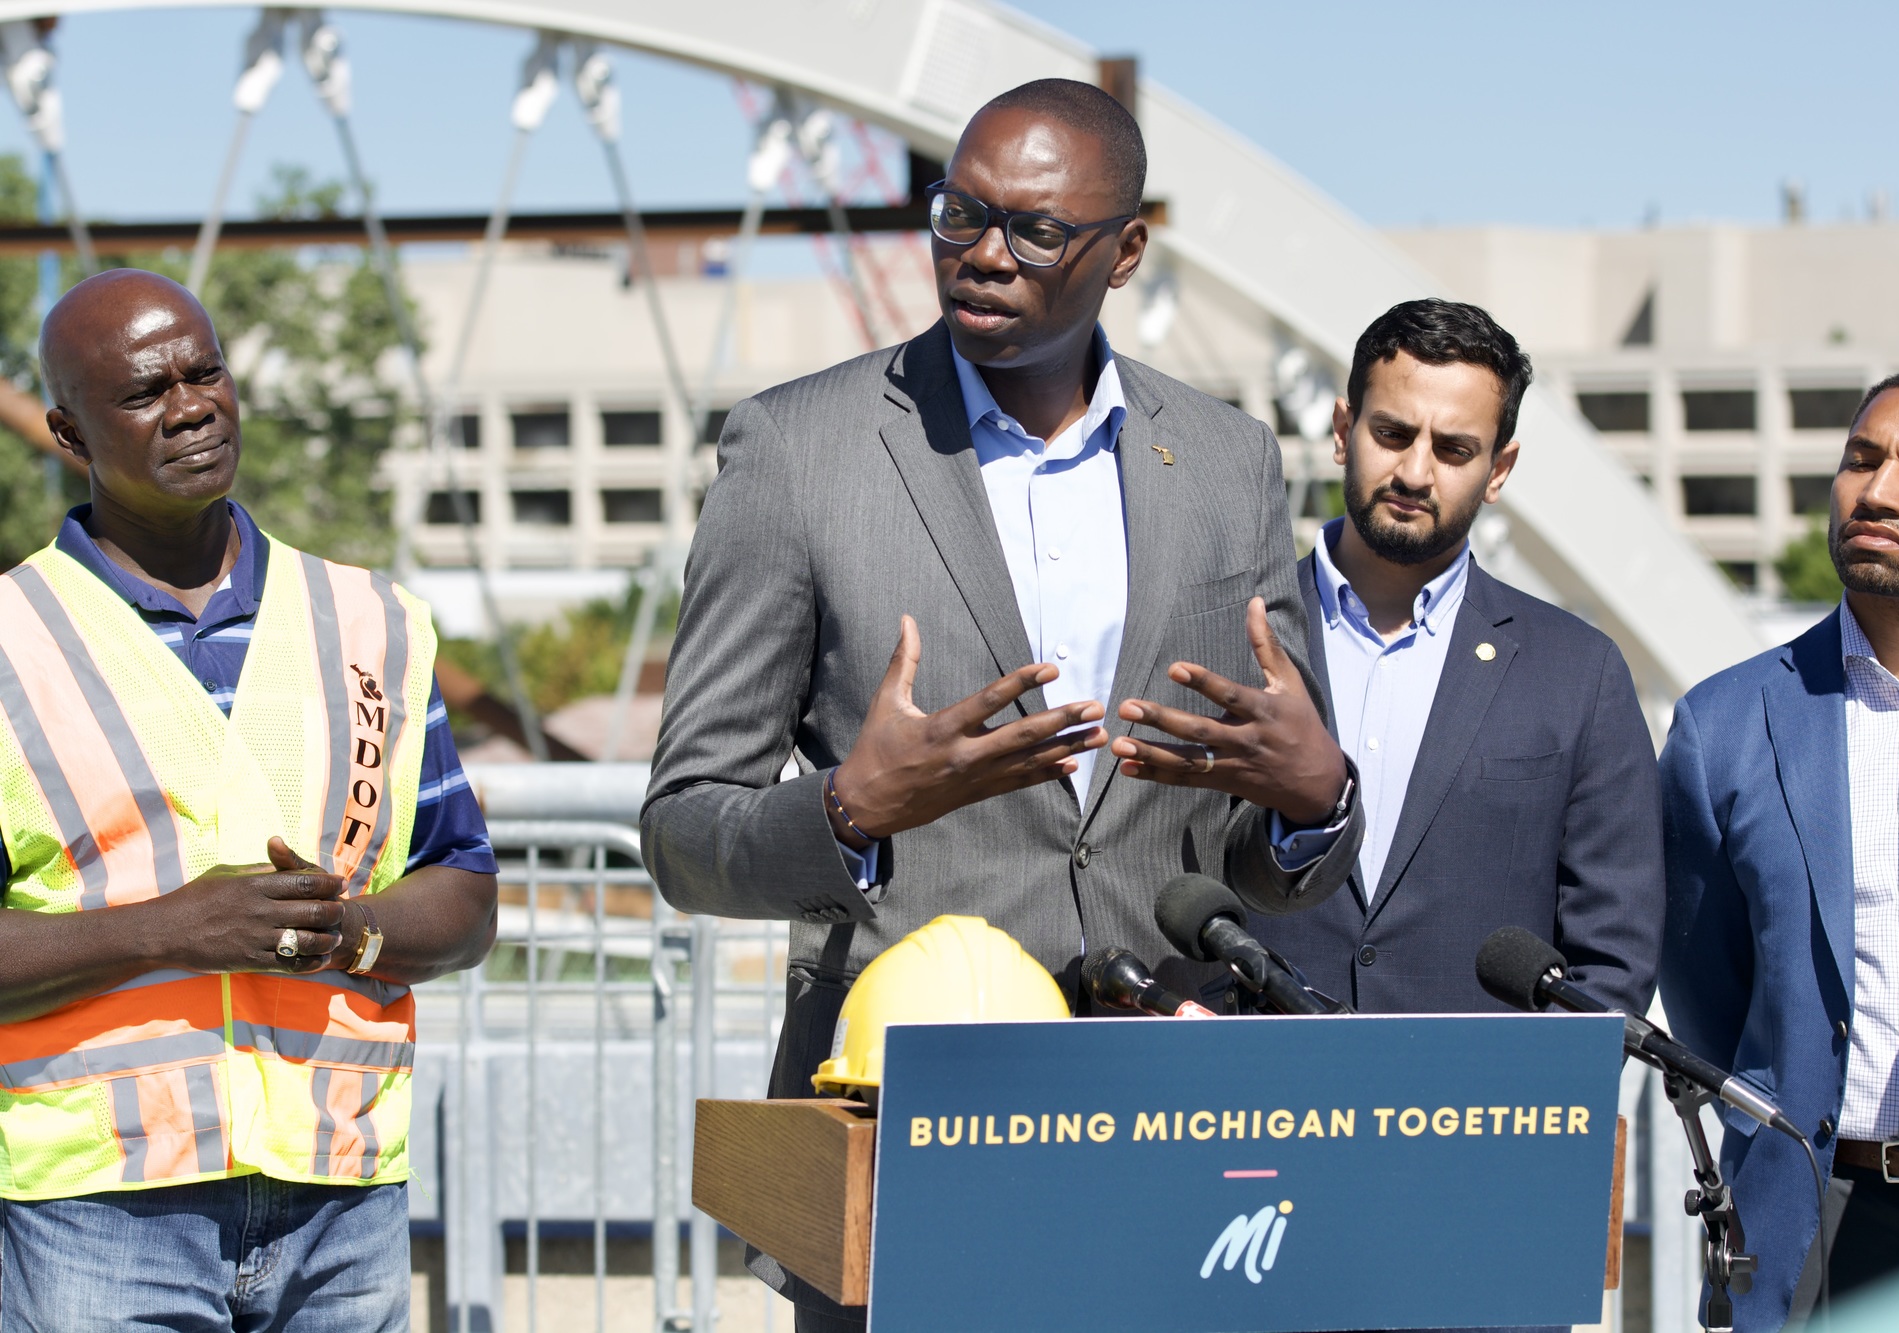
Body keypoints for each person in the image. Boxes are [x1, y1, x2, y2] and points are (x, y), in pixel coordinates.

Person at [642, 79, 1361, 1329]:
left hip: (1168, 1128)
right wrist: (849, 809)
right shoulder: (796, 452)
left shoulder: (1231, 463)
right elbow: (682, 833)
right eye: (957, 214)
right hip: (904, 1127)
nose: (981, 254)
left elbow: (1257, 855)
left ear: (1125, 250)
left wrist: (1312, 806)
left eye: (1033, 230)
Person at [0, 269, 498, 1331]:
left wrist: (349, 931)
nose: (190, 405)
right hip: (100, 1206)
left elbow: (464, 887)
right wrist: (179, 929)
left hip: (341, 1189)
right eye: (144, 393)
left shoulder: (374, 620)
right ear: (69, 432)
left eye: (206, 371)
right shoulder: (10, 642)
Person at [1661, 366, 1899, 1329]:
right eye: (1861, 459)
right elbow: (1704, 990)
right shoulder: (1722, 724)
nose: (1880, 491)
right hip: (1805, 1210)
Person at [1252, 299, 1663, 1019]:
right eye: (1393, 433)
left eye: (1453, 449)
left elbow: (1613, 957)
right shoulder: (1233, 633)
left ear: (1498, 469)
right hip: (1258, 1108)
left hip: (1482, 1117)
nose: (1415, 471)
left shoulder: (1579, 673)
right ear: (1344, 431)